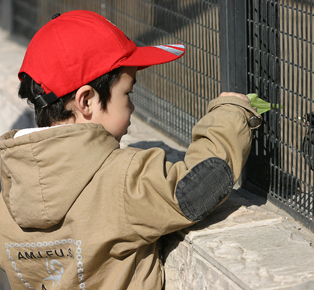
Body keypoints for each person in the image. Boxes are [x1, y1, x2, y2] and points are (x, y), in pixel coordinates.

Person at [0, 10, 262, 290]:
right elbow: (201, 184)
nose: (133, 108)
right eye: (128, 94)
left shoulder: (9, 189)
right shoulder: (120, 180)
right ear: (86, 101)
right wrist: (230, 113)